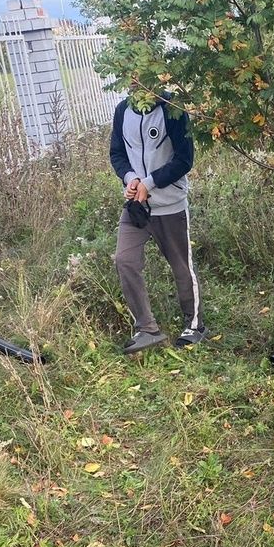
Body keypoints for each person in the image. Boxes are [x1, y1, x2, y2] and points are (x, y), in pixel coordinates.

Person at [109, 90, 206, 353]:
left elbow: (184, 160)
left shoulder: (172, 109)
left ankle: (194, 325)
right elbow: (117, 153)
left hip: (170, 206)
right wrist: (130, 179)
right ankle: (147, 328)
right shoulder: (122, 110)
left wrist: (149, 183)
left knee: (181, 266)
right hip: (136, 208)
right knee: (124, 260)